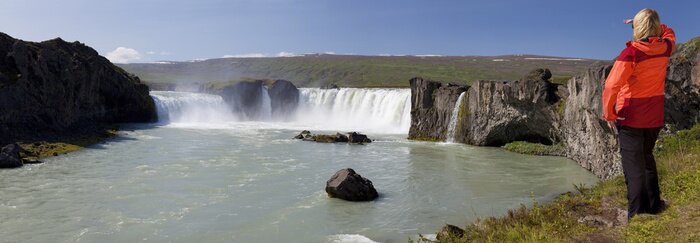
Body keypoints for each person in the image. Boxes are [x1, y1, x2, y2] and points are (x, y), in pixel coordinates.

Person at [602, 8, 675, 219]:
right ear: (655, 27)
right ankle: (654, 205)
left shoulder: (631, 53)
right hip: (654, 115)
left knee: (633, 168)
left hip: (631, 117)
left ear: (637, 27)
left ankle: (637, 214)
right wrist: (650, 22)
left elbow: (611, 87)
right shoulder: (665, 47)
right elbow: (669, 31)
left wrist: (609, 114)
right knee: (647, 159)